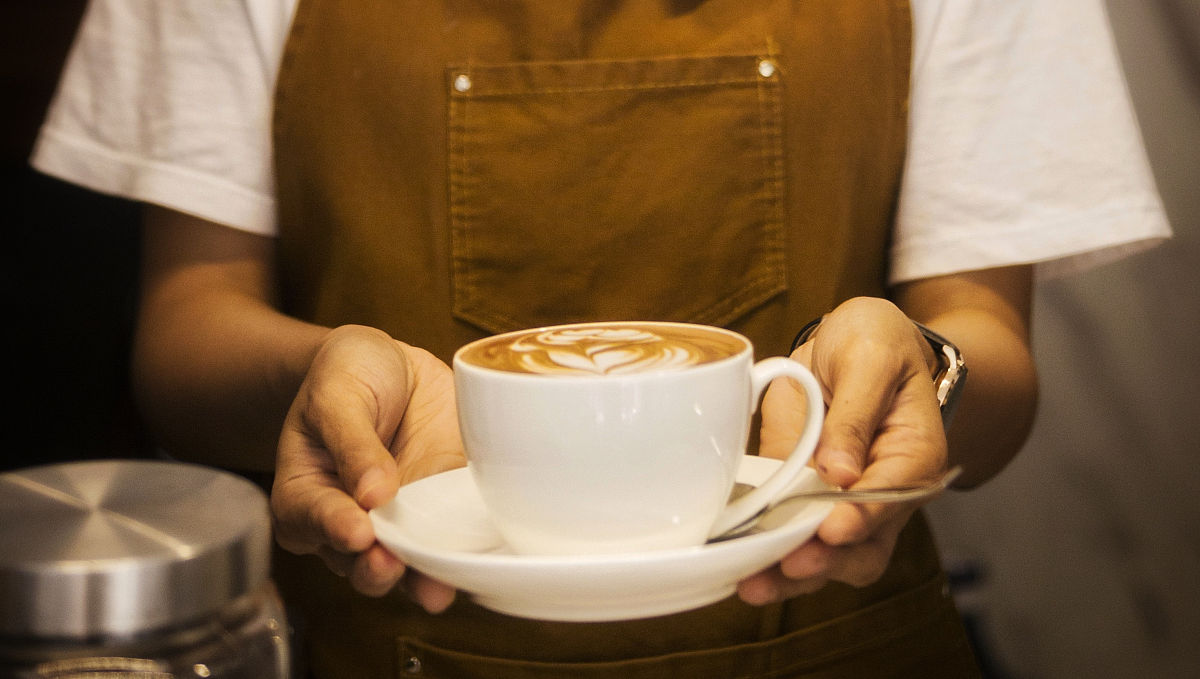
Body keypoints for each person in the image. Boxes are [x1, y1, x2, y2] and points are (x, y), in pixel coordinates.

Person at [31, 0, 1170, 676]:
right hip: (381, 644)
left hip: (840, 640)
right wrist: (314, 377)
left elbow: (990, 346)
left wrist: (927, 368)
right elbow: (184, 334)